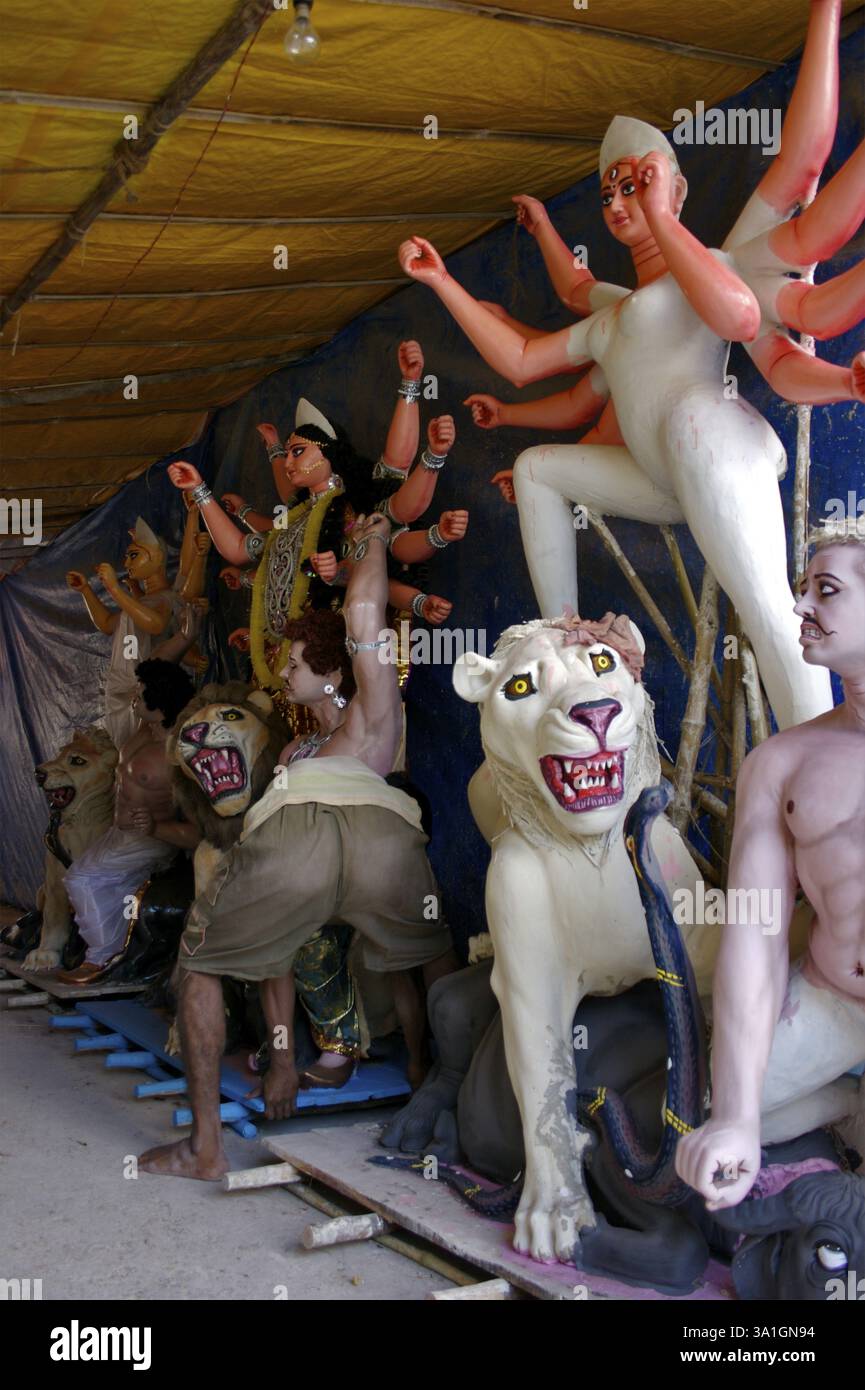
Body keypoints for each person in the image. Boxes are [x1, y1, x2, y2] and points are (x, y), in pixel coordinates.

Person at [139, 512, 456, 1180]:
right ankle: (430, 1074)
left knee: (202, 964)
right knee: (428, 950)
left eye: (292, 661)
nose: (282, 671)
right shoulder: (340, 731)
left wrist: (370, 541)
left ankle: (206, 1145)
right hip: (380, 842)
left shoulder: (367, 708)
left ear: (328, 670)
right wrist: (368, 548)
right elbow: (367, 614)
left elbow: (363, 612)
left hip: (307, 833)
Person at [675, 521, 865, 1210]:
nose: (800, 607)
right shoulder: (780, 762)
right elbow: (754, 937)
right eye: (801, 588)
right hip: (833, 998)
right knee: (698, 1119)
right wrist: (735, 1117)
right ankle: (840, 1103)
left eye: (827, 589)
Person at [58, 657, 200, 983]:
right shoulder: (142, 730)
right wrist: (184, 636)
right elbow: (161, 657)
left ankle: (103, 955)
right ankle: (116, 946)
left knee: (81, 879)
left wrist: (154, 828)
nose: (133, 698)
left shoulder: (178, 754)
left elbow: (199, 832)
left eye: (140, 693)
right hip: (119, 834)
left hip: (152, 840)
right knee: (88, 880)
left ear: (160, 706)